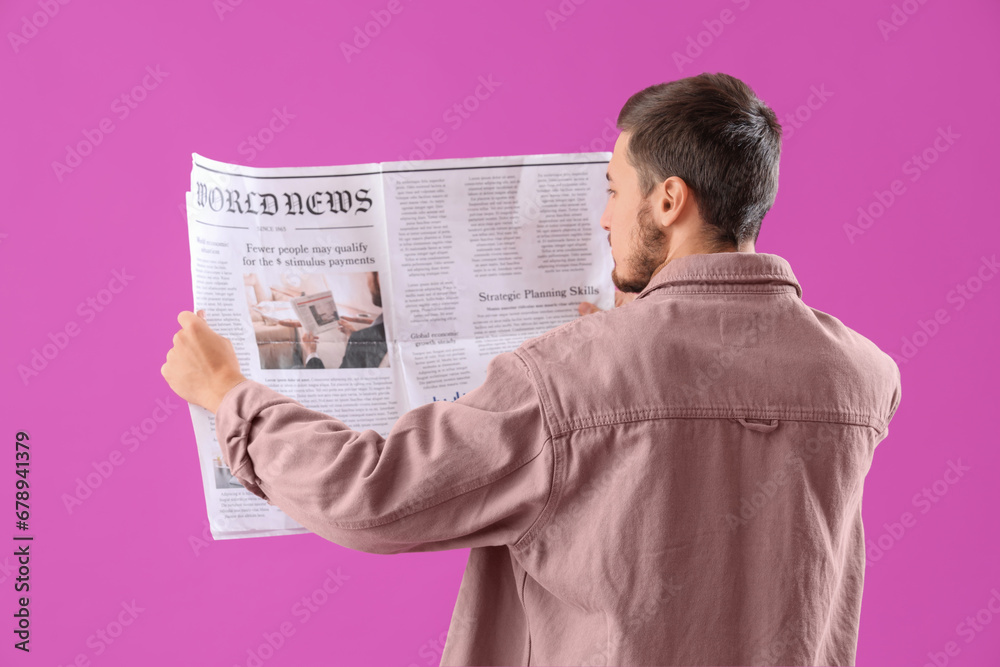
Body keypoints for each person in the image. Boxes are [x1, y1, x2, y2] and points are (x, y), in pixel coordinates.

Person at [162, 73, 901, 666]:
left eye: (614, 189)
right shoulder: (861, 378)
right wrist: (620, 351)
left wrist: (230, 395)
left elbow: (371, 493)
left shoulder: (569, 378)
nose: (605, 218)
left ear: (669, 199)